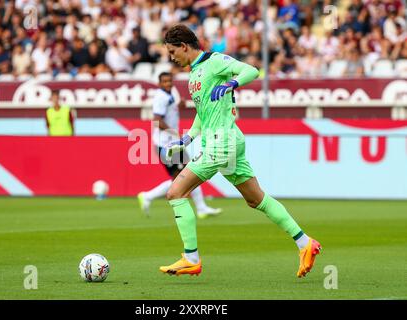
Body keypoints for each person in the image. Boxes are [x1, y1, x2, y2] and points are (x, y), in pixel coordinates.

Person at [159, 24, 321, 278]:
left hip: (221, 142)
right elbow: (203, 115)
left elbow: (251, 70)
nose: (171, 57)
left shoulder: (213, 61)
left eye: (172, 51)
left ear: (184, 46)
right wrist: (187, 139)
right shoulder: (194, 76)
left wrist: (232, 83)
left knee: (175, 192)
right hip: (226, 142)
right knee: (256, 199)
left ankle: (191, 258)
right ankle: (305, 243)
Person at [137, 72, 222, 219]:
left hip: (170, 143)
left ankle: (200, 208)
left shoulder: (168, 96)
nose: (167, 84)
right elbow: (156, 120)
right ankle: (149, 196)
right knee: (188, 174)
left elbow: (168, 113)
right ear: (159, 83)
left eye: (169, 81)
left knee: (187, 174)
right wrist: (175, 133)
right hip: (166, 145)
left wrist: (178, 106)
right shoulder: (161, 97)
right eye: (164, 81)